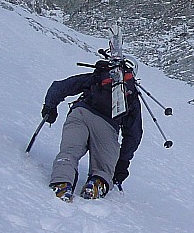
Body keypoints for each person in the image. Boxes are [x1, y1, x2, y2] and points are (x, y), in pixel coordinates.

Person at [41, 58, 142, 201]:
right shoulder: (131, 96)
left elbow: (60, 87)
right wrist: (123, 162)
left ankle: (62, 181)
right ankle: (97, 183)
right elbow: (134, 134)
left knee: (69, 151)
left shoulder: (97, 77)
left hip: (80, 114)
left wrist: (50, 107)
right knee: (104, 168)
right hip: (107, 126)